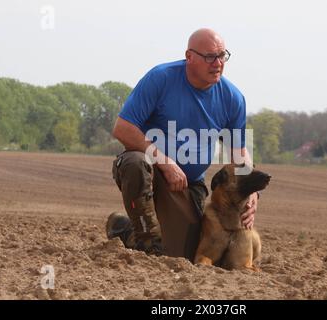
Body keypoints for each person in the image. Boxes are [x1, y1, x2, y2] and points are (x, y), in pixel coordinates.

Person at [106, 28, 259, 262]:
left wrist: (252, 190)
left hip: (188, 185)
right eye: (210, 56)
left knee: (186, 255)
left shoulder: (233, 98)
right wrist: (165, 162)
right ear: (189, 56)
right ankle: (147, 239)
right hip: (150, 173)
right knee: (135, 162)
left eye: (222, 56)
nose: (217, 63)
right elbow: (122, 128)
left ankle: (124, 229)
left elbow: (239, 152)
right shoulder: (161, 78)